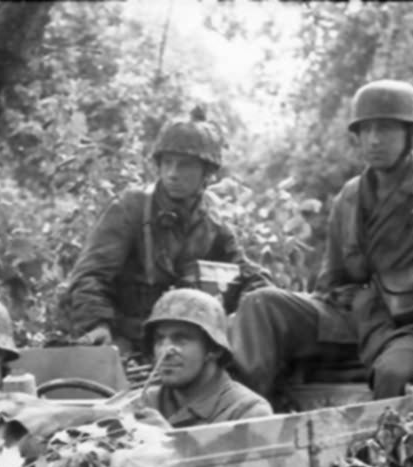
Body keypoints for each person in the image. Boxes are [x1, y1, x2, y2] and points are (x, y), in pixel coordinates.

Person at [230, 79, 413, 400]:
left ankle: (381, 449)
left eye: (385, 129)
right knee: (261, 304)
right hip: (354, 318)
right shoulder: (350, 197)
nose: (374, 140)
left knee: (393, 374)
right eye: (365, 130)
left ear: (411, 135)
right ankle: (245, 418)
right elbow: (331, 283)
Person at [62, 107, 268, 356]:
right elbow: (90, 275)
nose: (172, 173)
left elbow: (248, 277)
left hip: (185, 343)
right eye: (167, 163)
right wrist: (96, 324)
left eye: (184, 165)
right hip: (124, 337)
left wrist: (249, 312)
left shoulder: (214, 224)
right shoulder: (131, 208)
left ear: (207, 173)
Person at [122, 288, 272, 428]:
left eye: (180, 339)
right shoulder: (145, 402)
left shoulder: (246, 412)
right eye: (160, 339)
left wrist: (168, 441)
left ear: (214, 349)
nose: (165, 351)